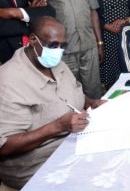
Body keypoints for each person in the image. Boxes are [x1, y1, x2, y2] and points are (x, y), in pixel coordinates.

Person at [0, 16, 105, 190]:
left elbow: (71, 94)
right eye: (53, 45)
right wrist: (57, 126)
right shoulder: (8, 81)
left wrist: (91, 103)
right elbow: (4, 147)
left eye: (63, 46)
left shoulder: (56, 63)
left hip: (73, 144)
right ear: (32, 39)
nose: (58, 51)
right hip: (37, 165)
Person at [27, 0, 103, 99]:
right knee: (68, 96)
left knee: (94, 92)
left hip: (89, 47)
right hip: (61, 51)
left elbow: (93, 10)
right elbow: (31, 15)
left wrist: (99, 43)